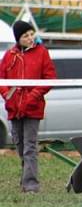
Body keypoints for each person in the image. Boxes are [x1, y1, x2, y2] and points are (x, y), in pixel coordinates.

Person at [0, 21, 56, 193]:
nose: (30, 38)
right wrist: (8, 97)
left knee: (30, 146)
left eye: (32, 33)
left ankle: (31, 184)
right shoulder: (9, 55)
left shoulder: (42, 53)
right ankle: (26, 179)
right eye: (26, 36)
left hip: (33, 108)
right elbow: (2, 79)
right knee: (19, 144)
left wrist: (32, 96)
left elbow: (49, 79)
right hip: (14, 109)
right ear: (19, 39)